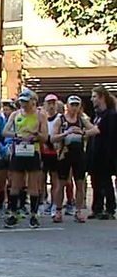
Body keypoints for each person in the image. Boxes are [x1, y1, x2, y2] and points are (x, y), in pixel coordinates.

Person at [2, 89, 48, 229]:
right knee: (16, 184)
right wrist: (16, 135)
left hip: (32, 151)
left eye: (26, 102)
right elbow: (5, 131)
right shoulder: (15, 115)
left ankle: (33, 214)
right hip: (18, 150)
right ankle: (13, 213)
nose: (23, 104)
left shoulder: (40, 116)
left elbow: (45, 136)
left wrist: (35, 135)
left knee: (33, 185)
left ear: (33, 102)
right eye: (21, 101)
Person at [51, 95, 99, 223]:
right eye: (72, 105)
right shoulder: (60, 120)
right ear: (67, 106)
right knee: (61, 184)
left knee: (80, 183)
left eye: (76, 105)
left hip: (78, 155)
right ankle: (58, 210)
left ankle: (78, 211)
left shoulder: (81, 120)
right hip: (64, 154)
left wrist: (82, 133)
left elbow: (95, 130)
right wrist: (66, 133)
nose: (74, 108)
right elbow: (53, 138)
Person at [86, 86, 117, 219]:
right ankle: (97, 208)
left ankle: (110, 209)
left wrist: (82, 132)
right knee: (95, 182)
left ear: (102, 98)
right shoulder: (97, 115)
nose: (92, 99)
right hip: (95, 153)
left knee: (105, 182)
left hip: (106, 154)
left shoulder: (110, 115)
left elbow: (100, 132)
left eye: (94, 97)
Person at [41, 94, 61, 216]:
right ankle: (42, 203)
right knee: (41, 179)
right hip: (43, 152)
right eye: (49, 103)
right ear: (45, 105)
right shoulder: (41, 117)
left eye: (53, 103)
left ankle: (54, 204)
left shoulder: (60, 118)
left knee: (55, 180)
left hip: (55, 153)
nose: (51, 106)